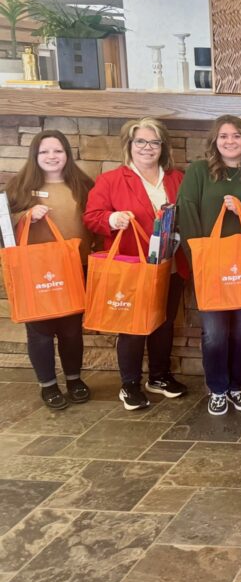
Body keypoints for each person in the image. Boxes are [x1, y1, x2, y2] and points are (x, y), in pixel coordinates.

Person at [84, 118, 189, 411]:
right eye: (140, 141)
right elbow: (91, 216)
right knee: (132, 327)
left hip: (169, 265)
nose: (147, 148)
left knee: (164, 323)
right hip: (132, 266)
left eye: (154, 142)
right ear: (129, 146)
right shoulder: (112, 180)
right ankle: (129, 384)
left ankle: (159, 376)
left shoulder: (175, 178)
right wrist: (111, 220)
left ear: (162, 147)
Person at [177, 115, 241, 416]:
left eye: (236, 136)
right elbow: (186, 213)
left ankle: (238, 385)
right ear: (214, 140)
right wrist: (196, 259)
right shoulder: (200, 172)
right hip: (209, 265)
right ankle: (217, 388)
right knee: (213, 331)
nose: (230, 141)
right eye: (224, 136)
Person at [7, 130, 96, 410]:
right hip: (34, 270)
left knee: (71, 330)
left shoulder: (83, 184)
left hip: (74, 267)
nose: (51, 156)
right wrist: (25, 216)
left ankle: (74, 378)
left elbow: (94, 219)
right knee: (40, 331)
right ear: (35, 156)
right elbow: (3, 225)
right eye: (44, 151)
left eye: (57, 151)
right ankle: (47, 384)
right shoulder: (19, 187)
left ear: (67, 154)